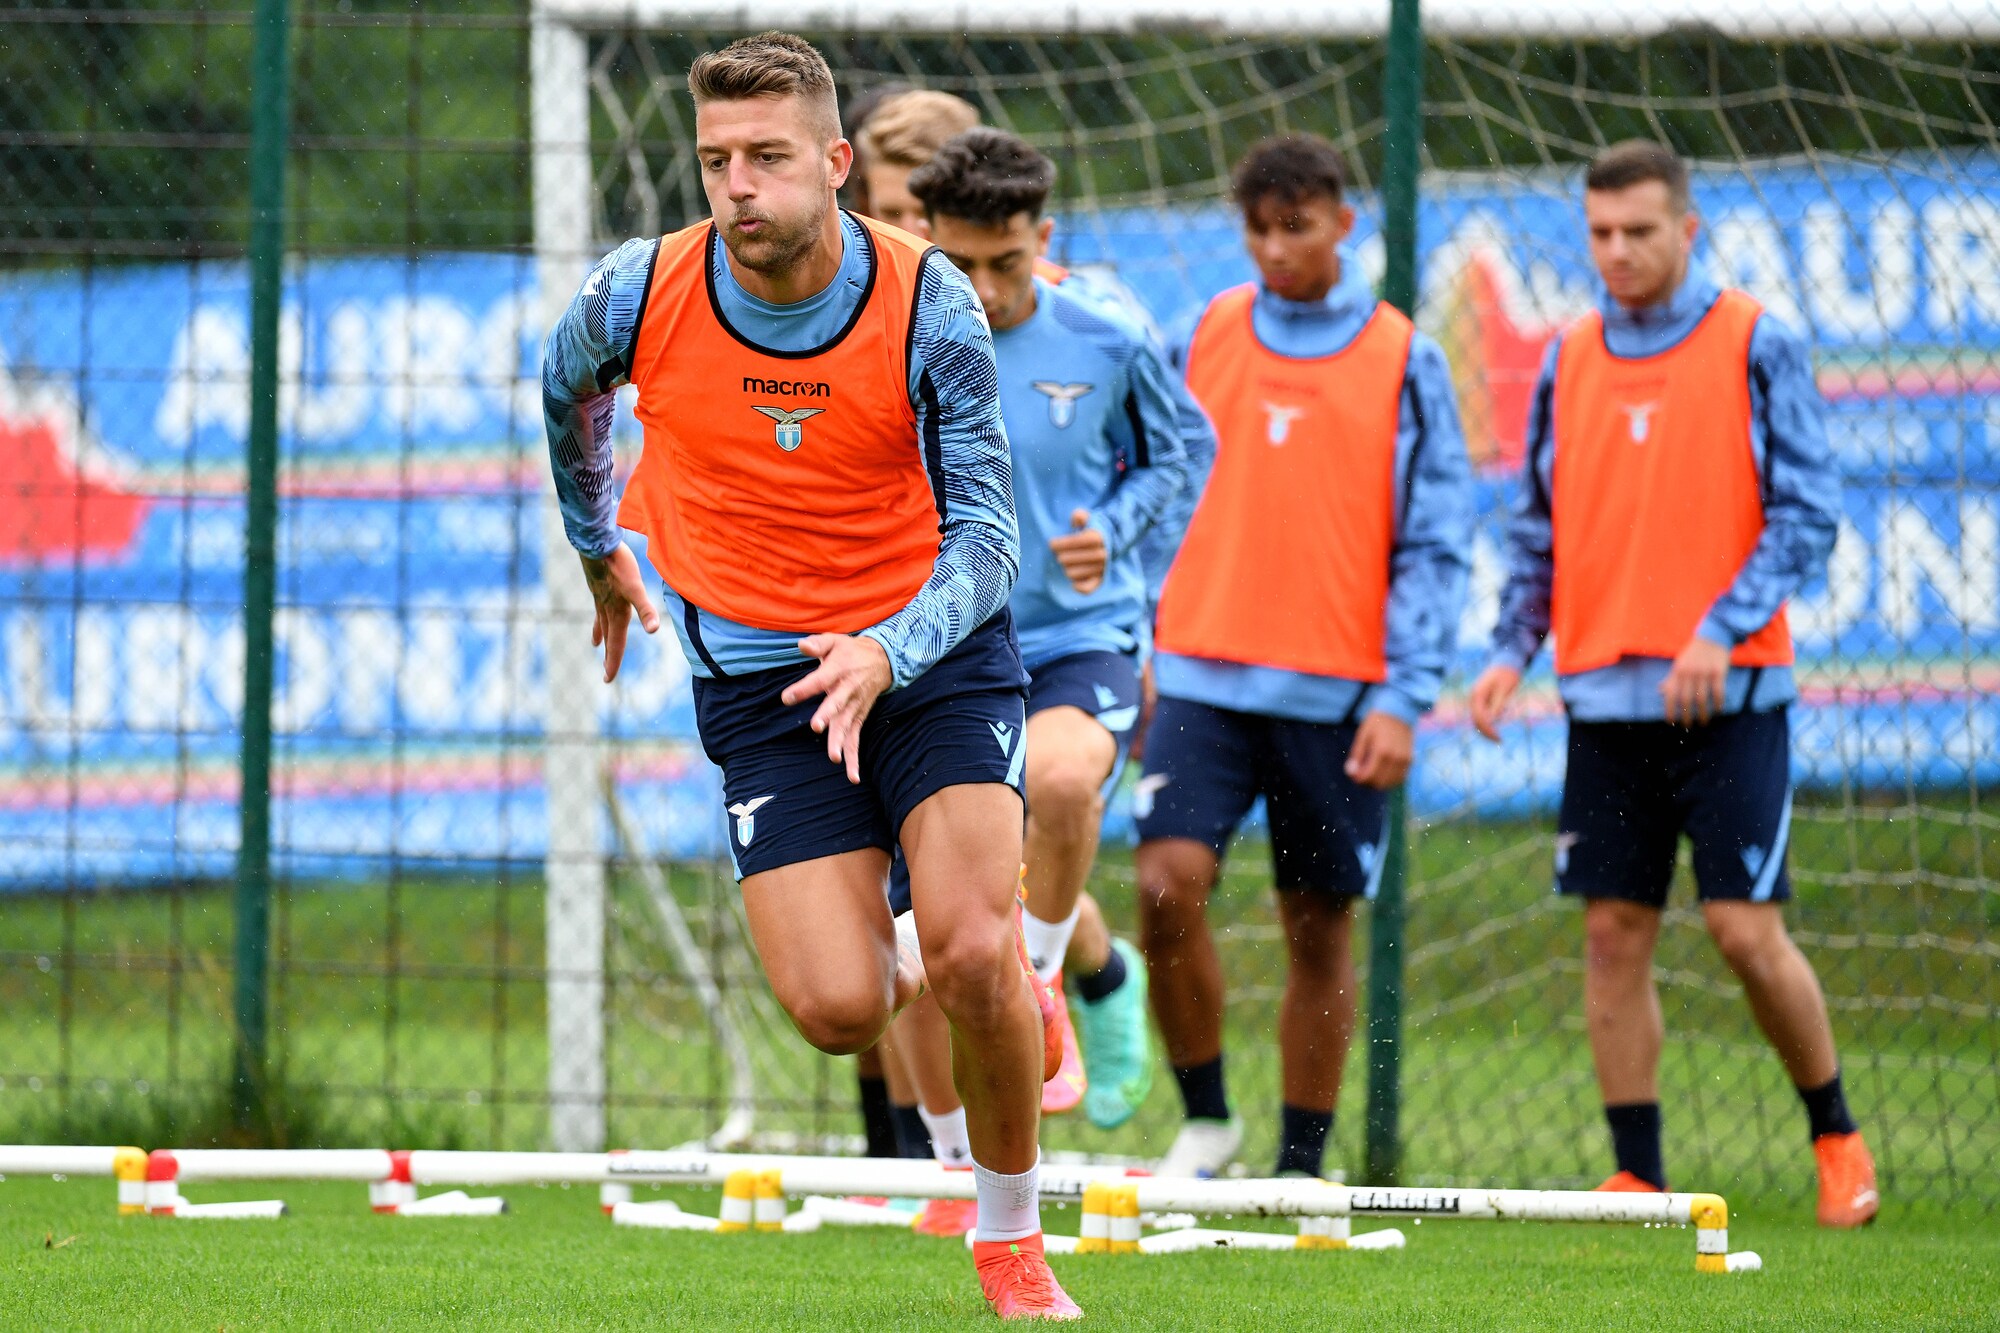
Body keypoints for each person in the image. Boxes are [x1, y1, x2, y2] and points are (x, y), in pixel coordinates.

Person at [540, 33, 1079, 1318]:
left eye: (768, 157)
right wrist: (596, 543)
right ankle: (947, 943)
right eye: (715, 159)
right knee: (839, 1010)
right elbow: (566, 396)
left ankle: (1009, 1239)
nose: (738, 185)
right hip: (762, 683)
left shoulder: (927, 299)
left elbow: (987, 537)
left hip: (928, 660)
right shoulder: (633, 293)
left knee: (971, 952)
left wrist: (888, 647)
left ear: (836, 163)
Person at [1467, 140, 1876, 1227]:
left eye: (1638, 231)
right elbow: (1540, 524)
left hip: (1730, 699)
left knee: (1743, 930)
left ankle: (1837, 1135)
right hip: (1604, 699)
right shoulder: (1567, 355)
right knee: (1611, 932)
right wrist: (1511, 648)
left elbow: (1807, 513)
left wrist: (1720, 630)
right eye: (1599, 233)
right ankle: (1637, 1174)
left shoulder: (1755, 339)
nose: (1617, 251)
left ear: (1687, 230)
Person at [1135, 134, 1474, 1179]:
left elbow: (1434, 542)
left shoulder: (1404, 358)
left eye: (1297, 227)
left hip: (1338, 698)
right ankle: (1206, 1119)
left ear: (1343, 222)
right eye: (1258, 230)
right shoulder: (1205, 333)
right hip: (1197, 674)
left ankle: (1299, 1164)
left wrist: (1403, 695)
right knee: (1165, 885)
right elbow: (1151, 490)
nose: (1276, 248)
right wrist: (1137, 637)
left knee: (1317, 927)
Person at [910, 125, 1188, 1133]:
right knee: (930, 911)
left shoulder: (1106, 338)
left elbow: (1173, 456)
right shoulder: (892, 341)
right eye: (961, 265)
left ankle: (1037, 982)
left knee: (1063, 783)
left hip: (1076, 636)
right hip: (938, 645)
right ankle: (1093, 979)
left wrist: (1111, 533)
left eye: (1007, 263)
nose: (984, 291)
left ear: (1045, 238)